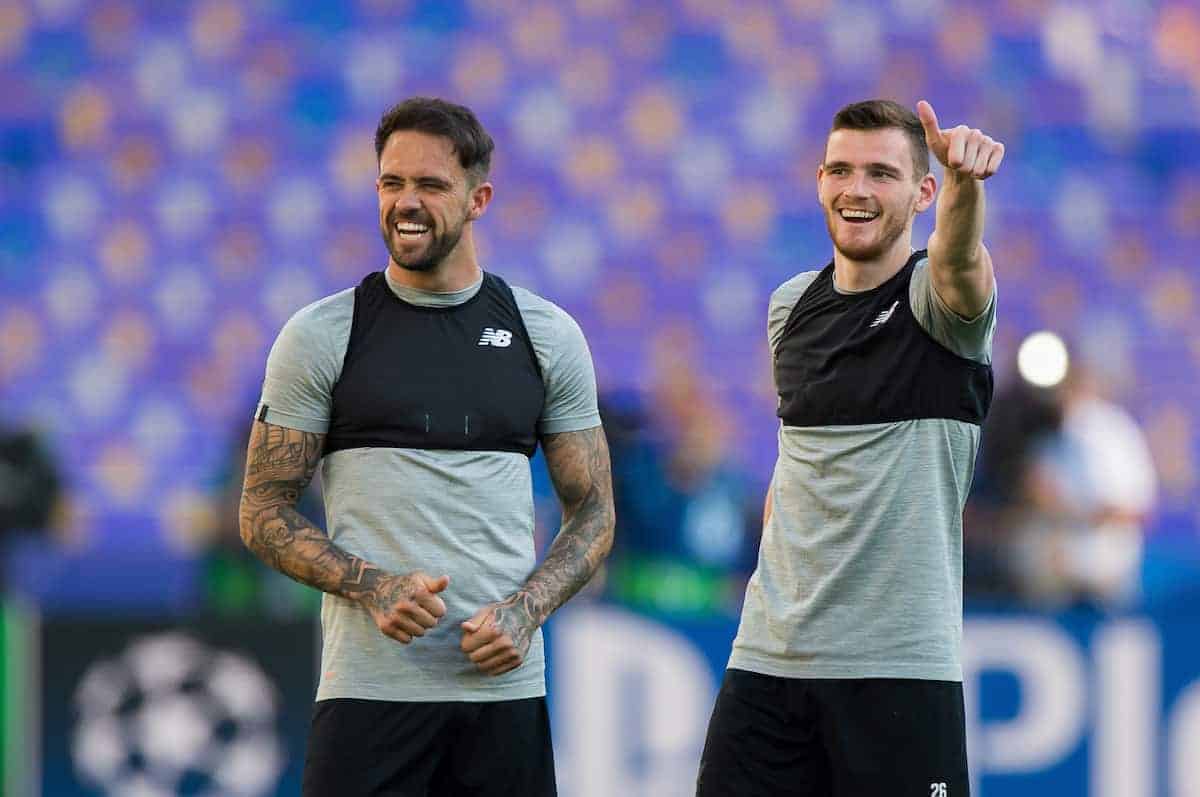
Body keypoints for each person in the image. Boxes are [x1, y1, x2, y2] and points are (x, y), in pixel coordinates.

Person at [238, 97, 615, 797]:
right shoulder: (322, 334)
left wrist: (525, 610)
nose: (406, 203)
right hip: (367, 695)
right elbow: (261, 510)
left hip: (502, 695)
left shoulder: (545, 334)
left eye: (430, 185)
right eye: (391, 183)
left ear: (479, 199)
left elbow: (593, 511)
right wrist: (371, 584)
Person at [697, 99, 1004, 796]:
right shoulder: (790, 306)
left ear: (923, 192)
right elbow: (798, 459)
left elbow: (959, 259)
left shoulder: (938, 302)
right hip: (769, 663)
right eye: (840, 169)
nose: (856, 189)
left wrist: (965, 183)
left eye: (881, 173)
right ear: (818, 181)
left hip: (896, 670)